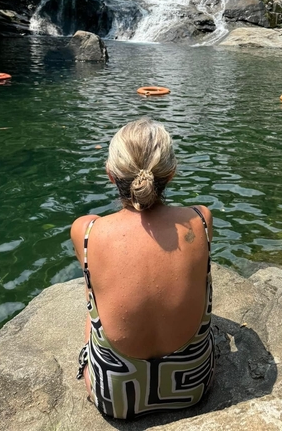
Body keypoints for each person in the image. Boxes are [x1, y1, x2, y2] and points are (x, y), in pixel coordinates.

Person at [71, 118, 214, 420]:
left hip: (115, 398)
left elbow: (91, 299)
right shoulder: (200, 221)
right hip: (193, 386)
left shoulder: (86, 231)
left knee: (93, 305)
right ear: (171, 174)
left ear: (111, 175)